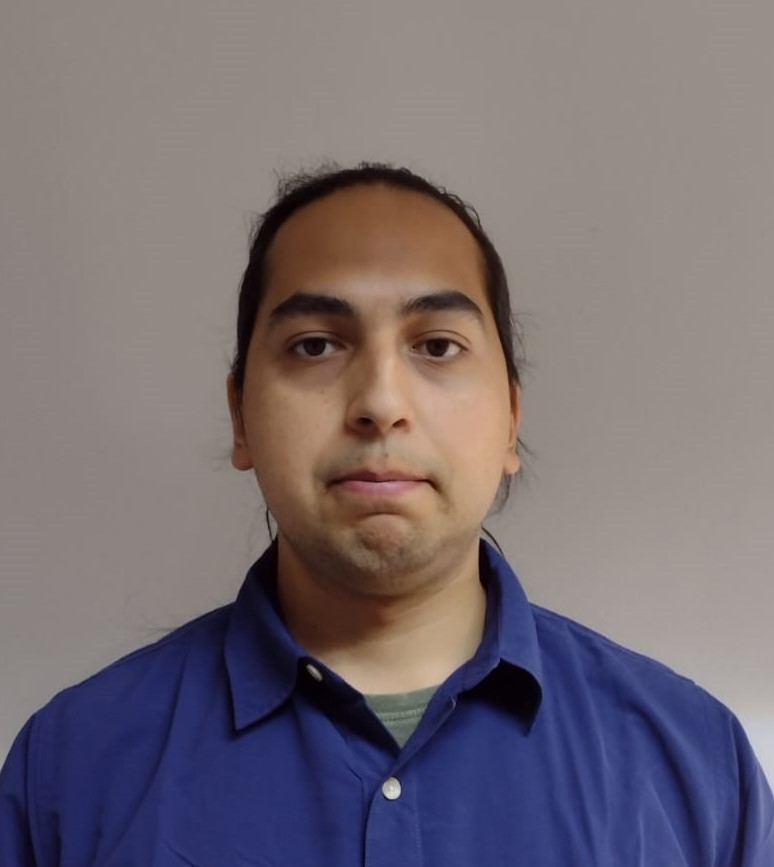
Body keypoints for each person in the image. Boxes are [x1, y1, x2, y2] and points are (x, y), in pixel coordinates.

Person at [1, 163, 772, 866]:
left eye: (436, 345)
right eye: (315, 345)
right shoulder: (68, 771)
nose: (379, 401)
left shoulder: (698, 767)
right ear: (239, 416)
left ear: (511, 417)